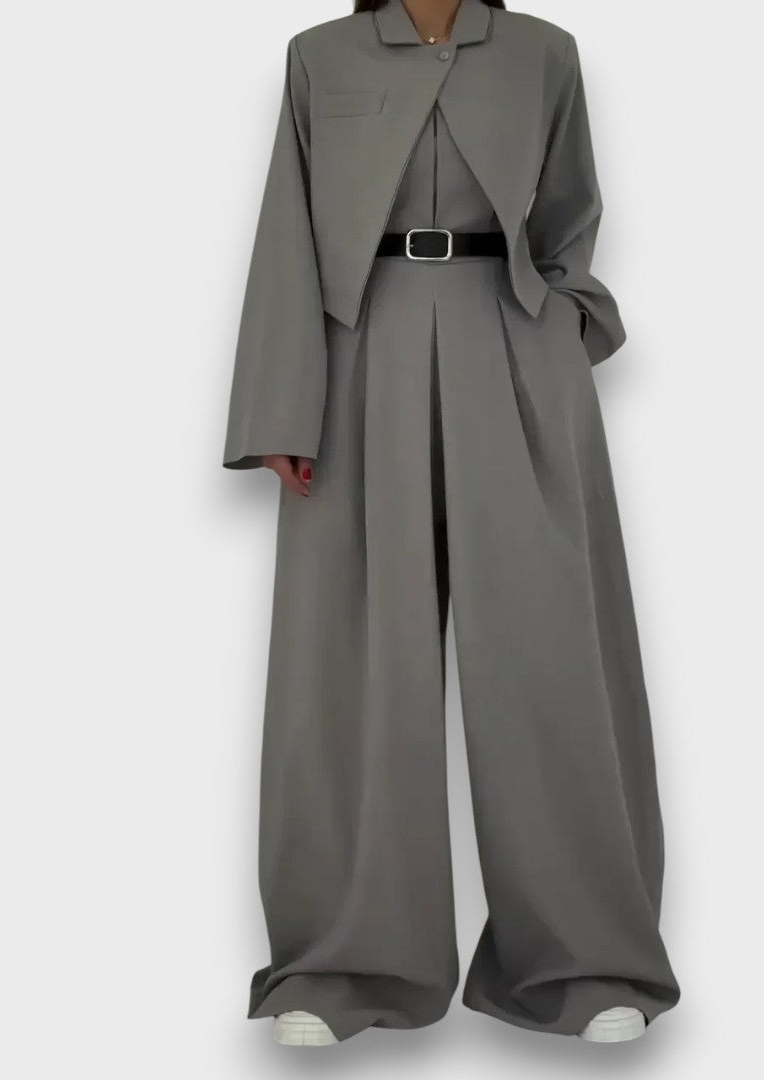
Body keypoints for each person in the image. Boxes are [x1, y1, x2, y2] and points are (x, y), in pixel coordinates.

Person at [222, 0, 680, 1046]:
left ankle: (584, 963)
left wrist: (562, 330)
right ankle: (340, 968)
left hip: (512, 346)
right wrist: (282, 408)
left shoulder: (543, 54)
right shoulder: (319, 57)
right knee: (350, 672)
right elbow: (286, 233)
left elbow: (569, 216)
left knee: (548, 661)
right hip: (357, 356)